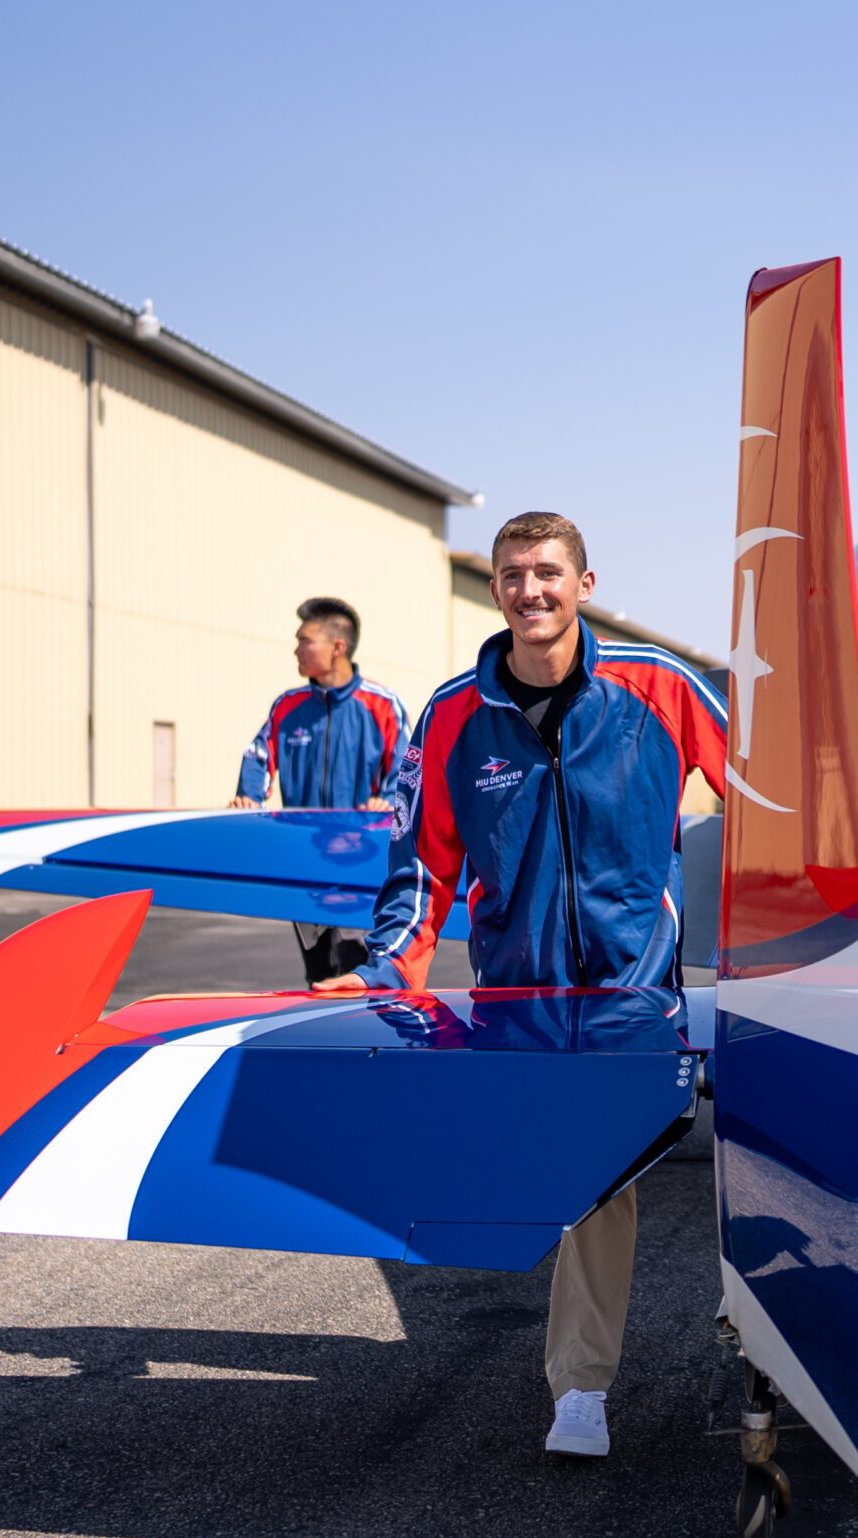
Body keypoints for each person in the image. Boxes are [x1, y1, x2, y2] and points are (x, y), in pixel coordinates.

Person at [315, 512, 727, 1458]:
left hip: (635, 987)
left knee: (609, 1175)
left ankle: (583, 1385)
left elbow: (768, 789)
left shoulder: (657, 687)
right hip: (516, 993)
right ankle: (583, 1379)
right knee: (555, 1173)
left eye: (548, 573)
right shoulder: (456, 713)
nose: (530, 591)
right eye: (512, 575)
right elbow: (422, 867)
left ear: (585, 584)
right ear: (494, 590)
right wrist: (385, 970)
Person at [229, 596, 408, 983]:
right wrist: (250, 797)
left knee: (358, 976)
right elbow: (259, 756)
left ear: (337, 647)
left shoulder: (382, 706)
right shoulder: (287, 707)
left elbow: (408, 773)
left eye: (304, 640)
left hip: (362, 866)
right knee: (319, 973)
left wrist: (387, 801)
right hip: (304, 865)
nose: (296, 648)